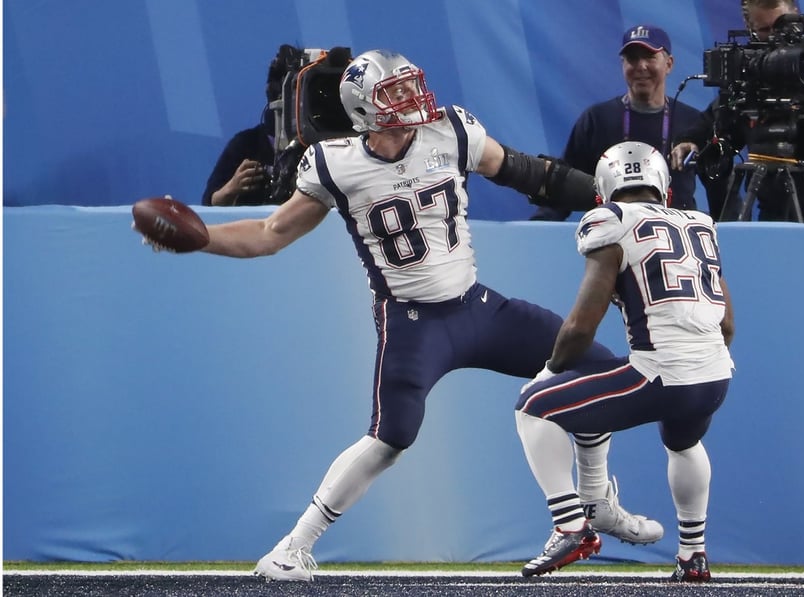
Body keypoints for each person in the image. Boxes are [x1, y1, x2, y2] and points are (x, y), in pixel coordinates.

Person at [135, 49, 663, 581]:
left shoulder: (450, 131)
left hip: (477, 305)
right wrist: (203, 239)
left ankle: (595, 503)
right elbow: (270, 234)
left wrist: (608, 197)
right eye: (396, 92)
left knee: (593, 370)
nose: (414, 98)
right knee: (391, 438)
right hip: (412, 323)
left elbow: (529, 173)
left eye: (411, 85)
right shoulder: (334, 163)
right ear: (366, 109)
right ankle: (291, 549)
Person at [515, 141, 734, 580]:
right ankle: (693, 554)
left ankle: (571, 525)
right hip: (715, 375)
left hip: (661, 372)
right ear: (664, 190)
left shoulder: (610, 220)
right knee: (684, 443)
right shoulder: (698, 223)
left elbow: (581, 326)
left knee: (535, 406)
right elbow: (727, 325)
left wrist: (551, 370)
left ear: (603, 193)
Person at [671, 0, 804, 223]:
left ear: (796, 16)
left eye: (781, 27)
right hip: (776, 207)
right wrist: (691, 139)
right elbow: (719, 116)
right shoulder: (749, 65)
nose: (775, 37)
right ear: (749, 26)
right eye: (764, 30)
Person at [530, 25, 703, 221]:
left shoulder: (694, 124)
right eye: (632, 58)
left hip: (677, 239)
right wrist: (538, 229)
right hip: (612, 240)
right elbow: (564, 186)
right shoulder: (597, 119)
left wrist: (728, 233)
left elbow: (722, 190)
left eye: (649, 57)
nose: (641, 66)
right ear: (623, 65)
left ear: (669, 64)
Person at [201, 45, 304, 207]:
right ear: (275, 96)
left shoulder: (326, 148)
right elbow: (209, 203)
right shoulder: (246, 144)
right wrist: (231, 188)